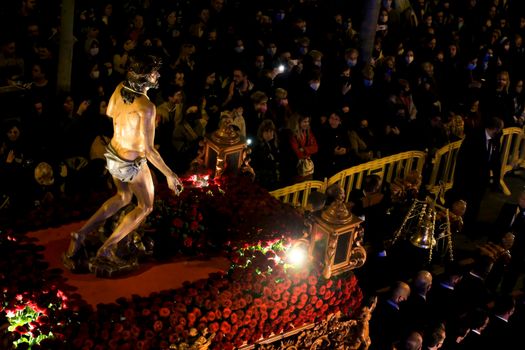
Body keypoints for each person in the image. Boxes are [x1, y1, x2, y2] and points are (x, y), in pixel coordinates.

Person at [64, 54, 183, 268]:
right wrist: (170, 175)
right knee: (145, 206)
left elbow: (111, 113)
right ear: (144, 78)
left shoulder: (120, 88)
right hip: (131, 162)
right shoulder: (147, 107)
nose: (158, 76)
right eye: (153, 73)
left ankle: (80, 234)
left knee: (123, 196)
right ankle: (107, 248)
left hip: (112, 154)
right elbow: (148, 150)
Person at [451, 117, 504, 238]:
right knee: (463, 203)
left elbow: (496, 161)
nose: (501, 132)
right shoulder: (473, 138)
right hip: (468, 178)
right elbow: (462, 161)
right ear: (493, 128)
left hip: (482, 179)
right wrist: (459, 181)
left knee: (476, 204)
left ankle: (469, 228)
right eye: (499, 129)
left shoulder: (496, 139)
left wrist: (496, 181)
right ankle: (456, 226)